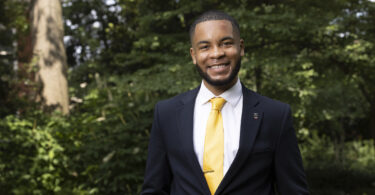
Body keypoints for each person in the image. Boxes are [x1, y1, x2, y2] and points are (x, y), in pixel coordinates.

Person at [141, 10, 309, 195]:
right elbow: (154, 189)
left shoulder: (275, 114)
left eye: (226, 44)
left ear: (241, 47)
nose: (217, 53)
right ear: (193, 55)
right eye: (205, 47)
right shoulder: (166, 113)